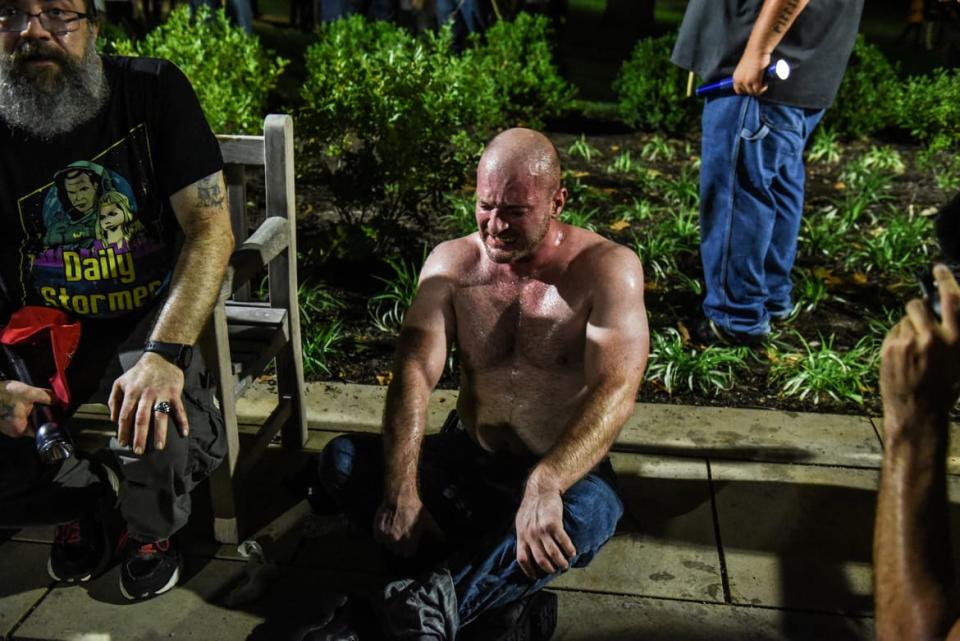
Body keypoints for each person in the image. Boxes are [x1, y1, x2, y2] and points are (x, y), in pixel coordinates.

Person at [309, 128, 649, 640]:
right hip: (466, 458)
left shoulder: (607, 269)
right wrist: (402, 488)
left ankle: (411, 608)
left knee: (593, 513)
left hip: (561, 469)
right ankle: (495, 601)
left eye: (515, 211)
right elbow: (413, 372)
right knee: (342, 460)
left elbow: (616, 391)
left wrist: (548, 480)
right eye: (486, 205)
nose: (496, 225)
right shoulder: (452, 265)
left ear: (557, 201)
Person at [0, 0, 234, 601]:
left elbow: (211, 229)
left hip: (146, 318)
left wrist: (163, 354)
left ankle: (150, 533)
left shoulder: (152, 91)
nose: (34, 31)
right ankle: (84, 502)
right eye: (10, 13)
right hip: (38, 330)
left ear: (94, 27)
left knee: (157, 420)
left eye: (58, 13)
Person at [671, 0, 864, 346]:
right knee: (777, 184)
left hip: (761, 68)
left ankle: (734, 318)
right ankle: (768, 298)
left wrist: (758, 51)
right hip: (800, 62)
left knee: (738, 191)